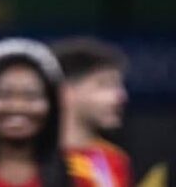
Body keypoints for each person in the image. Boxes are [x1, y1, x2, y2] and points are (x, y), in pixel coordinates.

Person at [0, 38, 73, 187]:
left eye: (31, 96)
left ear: (52, 105)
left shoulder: (81, 174)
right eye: (3, 95)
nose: (17, 106)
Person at [50, 37, 133, 187]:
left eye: (119, 86)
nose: (121, 96)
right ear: (65, 93)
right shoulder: (31, 160)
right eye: (104, 85)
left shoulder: (115, 159)